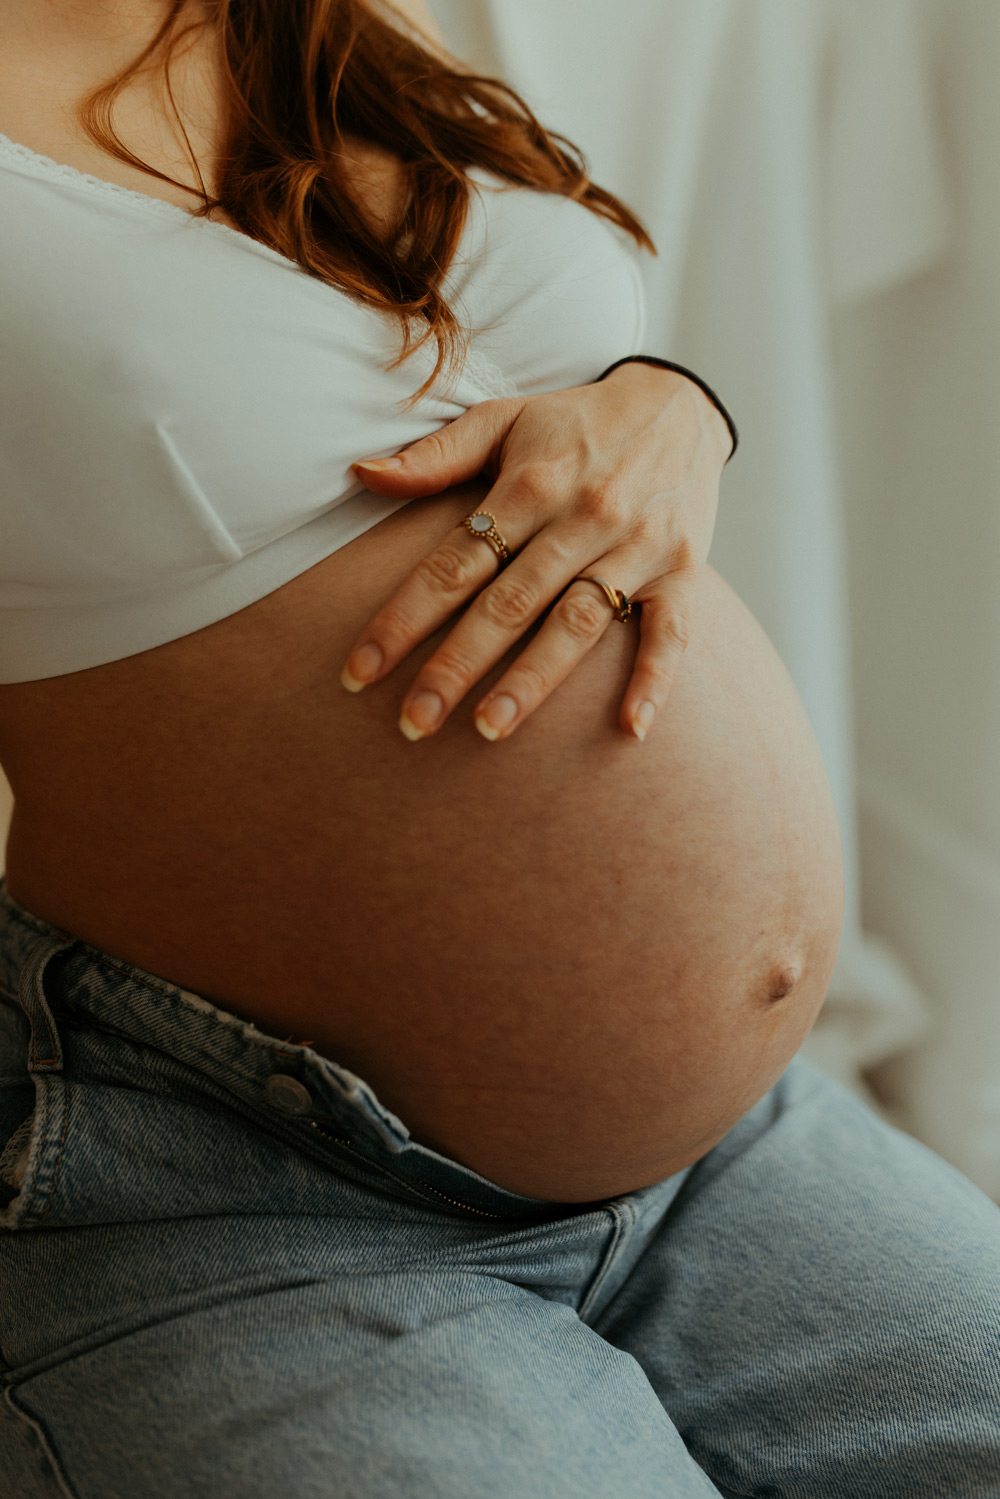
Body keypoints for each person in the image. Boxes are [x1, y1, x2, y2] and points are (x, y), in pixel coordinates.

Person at [0, 2, 997, 1495]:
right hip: (247, 1193)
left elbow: (507, 367)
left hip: (729, 1157)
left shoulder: (296, 21)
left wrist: (676, 408)